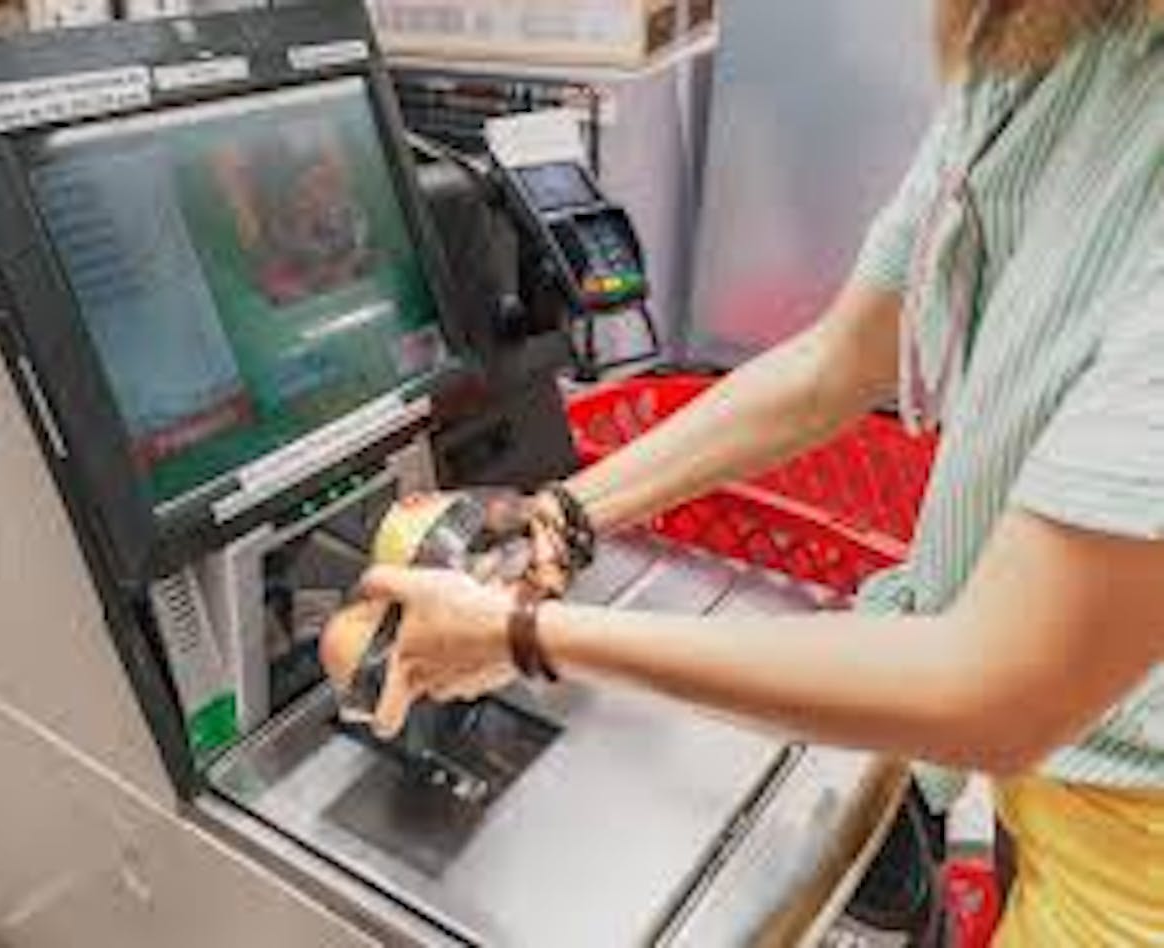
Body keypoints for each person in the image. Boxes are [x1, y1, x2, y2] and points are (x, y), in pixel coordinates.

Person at [357, 1, 1164, 942]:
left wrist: (526, 635)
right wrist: (568, 511)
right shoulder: (1033, 43)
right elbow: (838, 361)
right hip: (1050, 789)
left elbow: (995, 688)